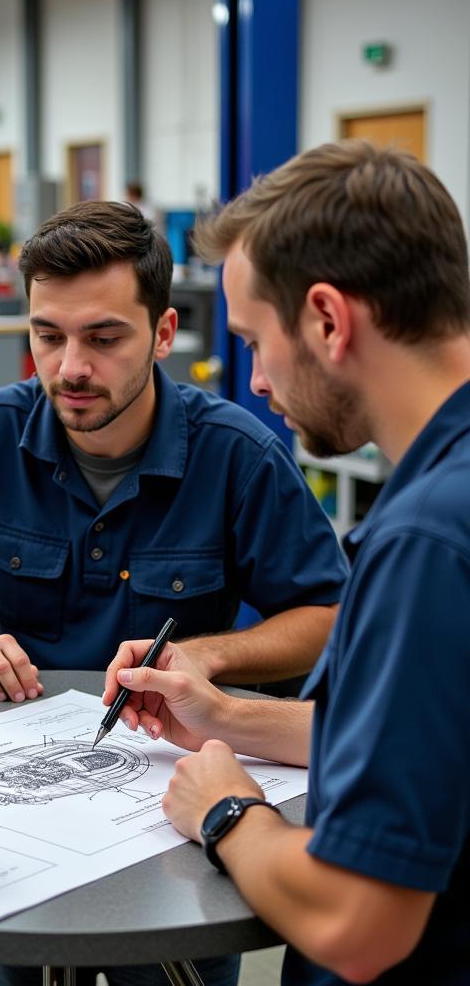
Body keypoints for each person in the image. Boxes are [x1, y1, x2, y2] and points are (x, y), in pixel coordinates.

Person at [0, 198, 348, 986]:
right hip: (23, 809)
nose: (70, 368)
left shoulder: (236, 455)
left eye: (104, 338)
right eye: (46, 336)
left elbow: (329, 617)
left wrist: (204, 657)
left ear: (161, 334)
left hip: (170, 804)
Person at [102, 141, 470, 983]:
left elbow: (356, 922)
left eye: (255, 342)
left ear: (329, 321)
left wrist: (229, 813)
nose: (256, 382)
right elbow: (421, 741)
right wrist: (226, 717)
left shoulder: (426, 543)